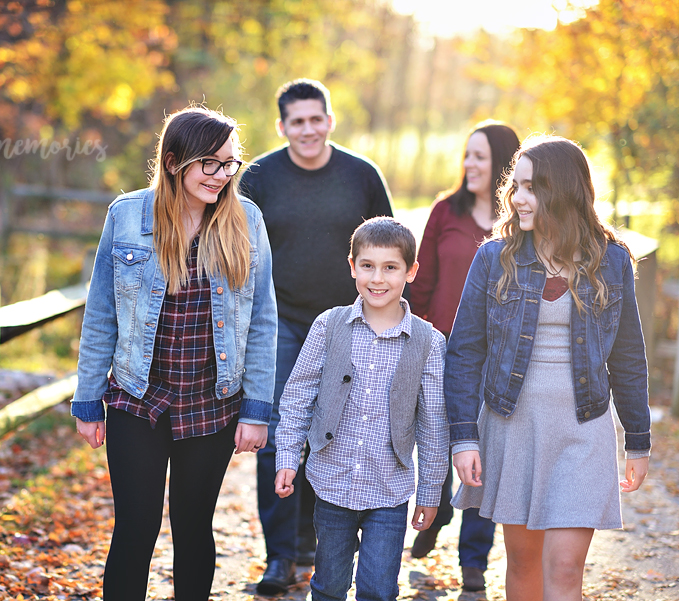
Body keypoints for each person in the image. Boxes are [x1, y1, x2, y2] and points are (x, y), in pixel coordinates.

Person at [71, 106, 277, 601]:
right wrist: (87, 399)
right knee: (135, 527)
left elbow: (263, 320)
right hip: (137, 399)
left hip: (212, 404)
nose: (222, 175)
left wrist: (256, 409)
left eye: (229, 163)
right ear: (172, 162)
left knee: (193, 526)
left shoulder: (246, 220)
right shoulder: (126, 216)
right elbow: (101, 314)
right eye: (210, 163)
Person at [446, 135, 651, 601]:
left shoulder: (611, 261)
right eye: (515, 186)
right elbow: (464, 352)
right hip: (513, 425)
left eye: (531, 187)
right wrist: (464, 437)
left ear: (563, 190)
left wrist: (638, 440)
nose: (517, 198)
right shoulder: (495, 258)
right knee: (523, 563)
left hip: (584, 428)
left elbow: (628, 358)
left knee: (564, 567)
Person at [239, 78, 394, 594]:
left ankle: (314, 544)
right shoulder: (258, 177)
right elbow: (235, 247)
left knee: (333, 433)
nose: (307, 129)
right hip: (279, 321)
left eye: (315, 119)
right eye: (296, 121)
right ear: (282, 126)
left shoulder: (361, 175)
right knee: (278, 433)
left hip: (346, 323)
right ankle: (280, 556)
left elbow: (388, 247)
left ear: (329, 120)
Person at [274, 216, 448, 601]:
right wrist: (287, 455)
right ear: (352, 266)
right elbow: (298, 396)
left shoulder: (429, 342)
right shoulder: (329, 325)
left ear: (411, 271)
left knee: (378, 590)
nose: (377, 278)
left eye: (390, 267)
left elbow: (433, 424)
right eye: (368, 265)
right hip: (331, 483)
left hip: (389, 490)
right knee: (329, 586)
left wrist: (430, 491)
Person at [408, 120, 520, 591]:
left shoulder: (518, 222)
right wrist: (414, 338)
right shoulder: (445, 212)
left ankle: (474, 556)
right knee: (437, 436)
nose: (469, 164)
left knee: (485, 447)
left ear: (504, 164)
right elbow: (422, 281)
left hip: (498, 354)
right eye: (467, 155)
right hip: (442, 346)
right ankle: (435, 510)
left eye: (480, 156)